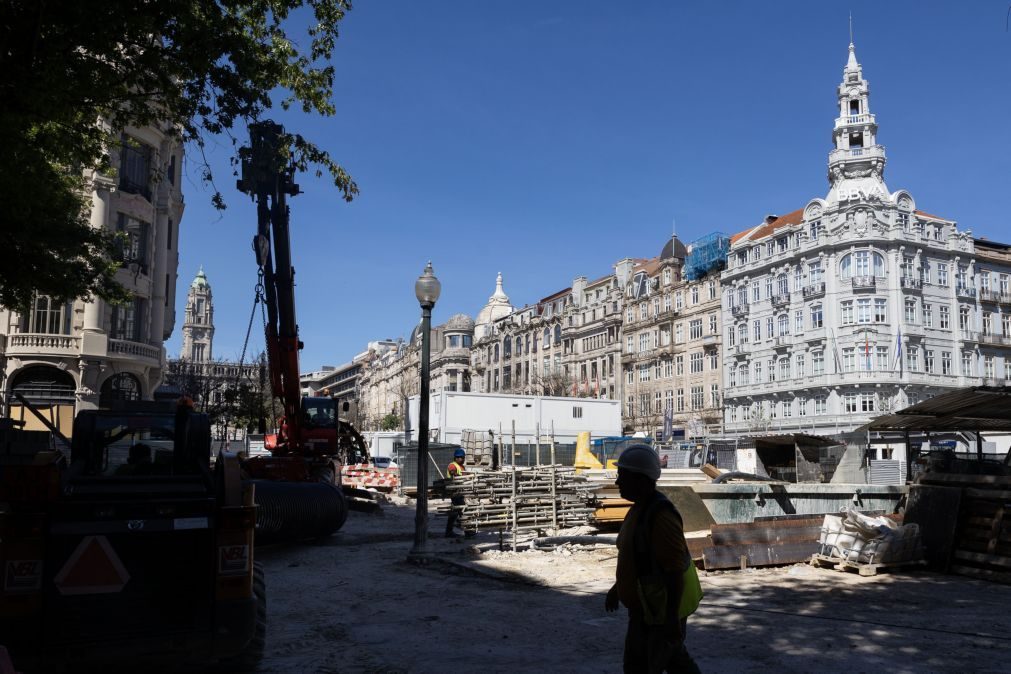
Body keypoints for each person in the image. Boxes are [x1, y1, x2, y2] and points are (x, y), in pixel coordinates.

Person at [605, 444, 702, 673]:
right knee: (669, 660)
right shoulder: (640, 509)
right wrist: (618, 588)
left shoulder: (660, 515)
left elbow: (674, 571)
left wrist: (670, 619)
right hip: (646, 609)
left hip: (659, 612)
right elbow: (637, 559)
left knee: (648, 665)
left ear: (640, 479)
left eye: (622, 476)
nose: (618, 482)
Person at [445, 448, 473, 538]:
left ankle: (448, 532)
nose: (461, 459)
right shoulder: (452, 465)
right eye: (459, 457)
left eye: (462, 457)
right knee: (463, 511)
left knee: (454, 512)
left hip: (460, 492)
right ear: (455, 458)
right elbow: (452, 472)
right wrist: (458, 476)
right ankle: (467, 532)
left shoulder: (462, 467)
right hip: (454, 492)